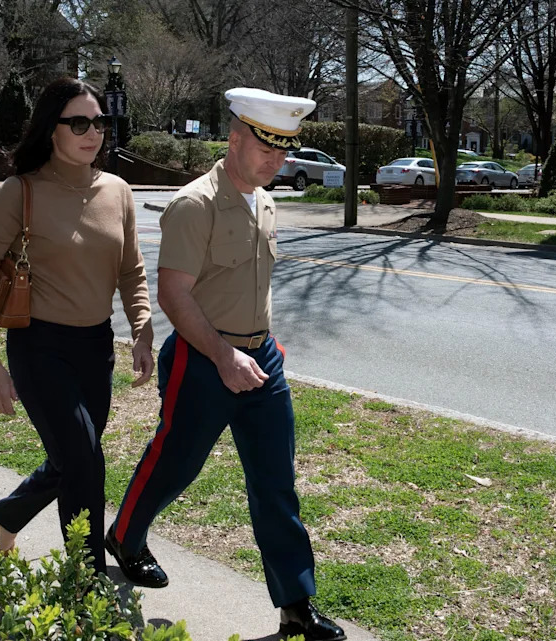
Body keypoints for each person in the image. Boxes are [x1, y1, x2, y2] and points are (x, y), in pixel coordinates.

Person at [106, 88, 346, 641]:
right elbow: (174, 294)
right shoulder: (196, 205)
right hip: (202, 359)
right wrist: (223, 353)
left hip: (260, 361)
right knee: (175, 464)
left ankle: (296, 606)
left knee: (276, 483)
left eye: (284, 151)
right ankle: (125, 536)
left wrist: (263, 343)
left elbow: (250, 284)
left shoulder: (265, 200)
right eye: (266, 148)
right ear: (235, 138)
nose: (277, 161)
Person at [0, 78, 154, 575]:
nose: (94, 133)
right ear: (52, 129)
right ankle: (84, 583)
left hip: (96, 347)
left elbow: (131, 270)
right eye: (79, 123)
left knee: (75, 458)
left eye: (100, 122)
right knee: (84, 461)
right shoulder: (20, 192)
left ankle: (6, 516)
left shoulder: (118, 191)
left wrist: (142, 328)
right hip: (39, 346)